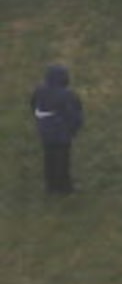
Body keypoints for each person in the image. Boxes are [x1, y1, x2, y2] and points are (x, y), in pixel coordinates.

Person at [31, 60, 82, 193]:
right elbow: (74, 115)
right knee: (63, 161)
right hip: (61, 134)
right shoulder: (67, 95)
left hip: (45, 132)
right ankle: (64, 187)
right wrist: (74, 129)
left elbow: (33, 105)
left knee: (49, 159)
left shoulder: (40, 90)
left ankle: (50, 185)